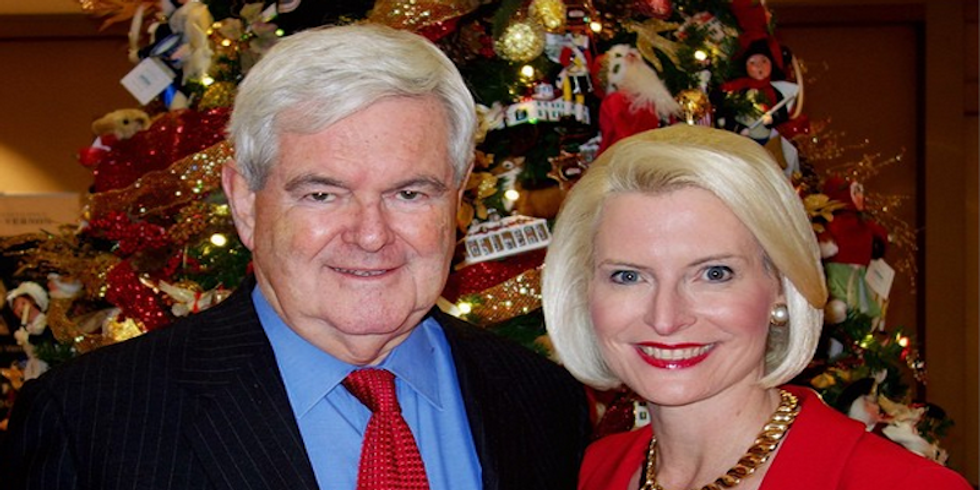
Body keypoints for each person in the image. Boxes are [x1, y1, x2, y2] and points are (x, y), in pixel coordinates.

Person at [0, 24, 590, 490]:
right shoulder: (94, 420)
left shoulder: (542, 401)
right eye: (322, 194)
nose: (370, 235)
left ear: (458, 202)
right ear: (245, 203)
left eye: (410, 193)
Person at [542, 124, 971, 490]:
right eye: (628, 276)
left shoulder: (899, 484)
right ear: (584, 290)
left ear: (782, 285)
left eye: (714, 274)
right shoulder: (592, 471)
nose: (665, 318)